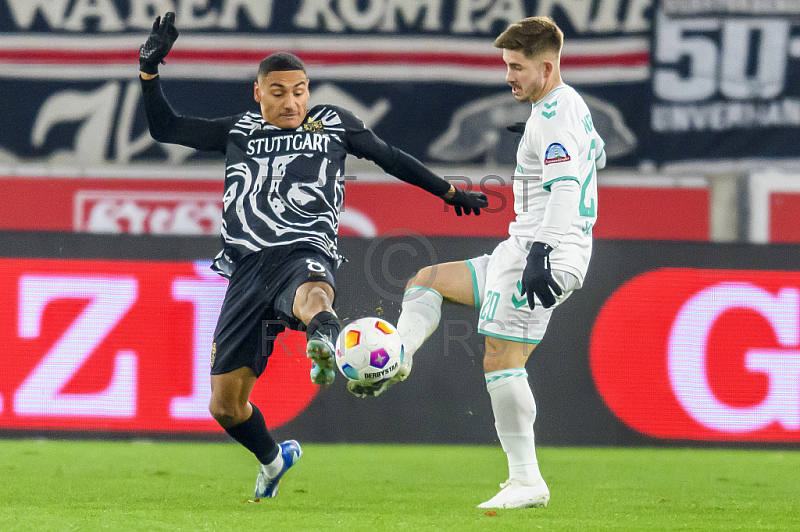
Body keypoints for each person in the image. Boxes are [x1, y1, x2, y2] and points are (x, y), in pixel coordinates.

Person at [138, 13, 488, 499]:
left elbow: (390, 157)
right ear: (257, 93)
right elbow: (166, 128)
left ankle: (324, 338)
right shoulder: (238, 130)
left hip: (304, 247)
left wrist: (448, 191)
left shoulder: (333, 124)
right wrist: (149, 72)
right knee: (225, 406)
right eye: (278, 91)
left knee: (313, 293)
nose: (292, 101)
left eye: (300, 90)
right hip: (246, 269)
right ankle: (273, 458)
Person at [349, 16, 605, 510]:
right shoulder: (564, 106)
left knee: (502, 359)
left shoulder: (553, 117)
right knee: (428, 281)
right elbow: (593, 156)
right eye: (506, 65)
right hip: (519, 249)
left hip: (544, 251)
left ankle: (527, 480)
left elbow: (567, 188)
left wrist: (544, 252)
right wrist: (534, 133)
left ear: (547, 66)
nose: (508, 75)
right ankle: (398, 356)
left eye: (516, 67)